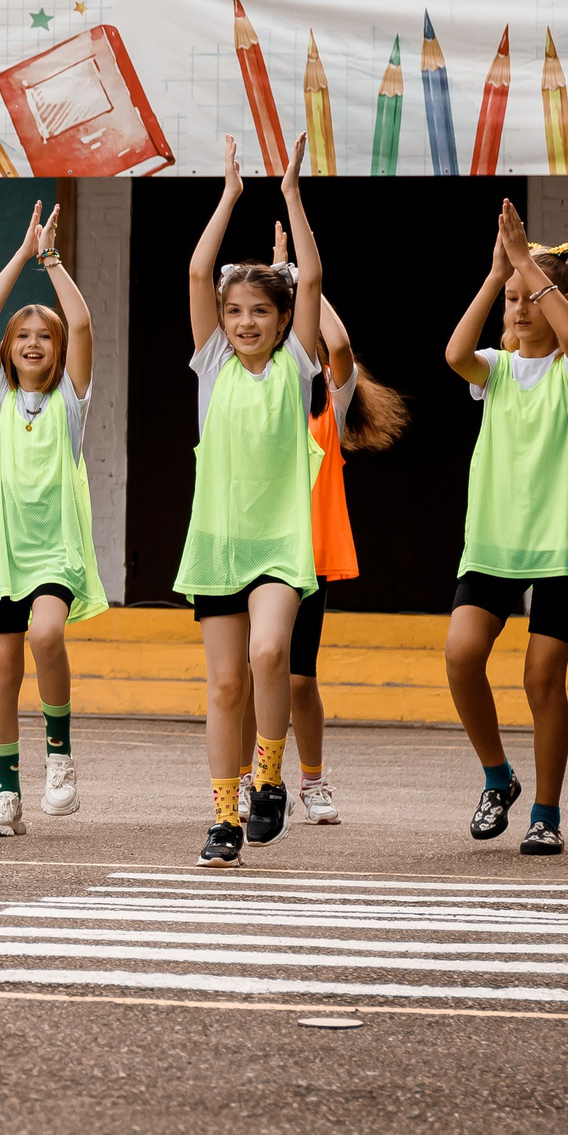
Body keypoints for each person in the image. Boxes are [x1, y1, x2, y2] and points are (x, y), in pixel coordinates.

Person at [232, 225, 409, 829]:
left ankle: (311, 779)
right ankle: (254, 783)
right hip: (253, 549)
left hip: (307, 554)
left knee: (299, 679)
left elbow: (339, 346)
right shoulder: (253, 390)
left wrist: (297, 281)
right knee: (250, 672)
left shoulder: (325, 401)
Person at [179, 133, 324, 867]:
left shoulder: (296, 365)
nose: (243, 322)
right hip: (218, 544)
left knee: (271, 652)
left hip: (279, 543)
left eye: (259, 311)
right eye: (234, 311)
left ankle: (269, 776)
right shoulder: (212, 365)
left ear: (280, 317)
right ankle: (224, 816)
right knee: (226, 681)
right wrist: (230, 192)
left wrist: (291, 196)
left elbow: (314, 276)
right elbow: (201, 267)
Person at [442, 201, 568, 857]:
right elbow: (453, 353)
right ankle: (497, 777)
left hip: (561, 544)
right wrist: (495, 274)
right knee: (460, 653)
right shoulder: (496, 369)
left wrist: (529, 266)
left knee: (542, 678)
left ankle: (546, 810)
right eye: (512, 297)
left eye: (531, 295)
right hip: (496, 542)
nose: (519, 305)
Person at [0, 202, 108, 838]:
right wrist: (20, 254)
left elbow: (80, 320)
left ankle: (60, 754)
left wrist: (50, 261)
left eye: (42, 336)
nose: (31, 342)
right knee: (0, 672)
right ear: (8, 350)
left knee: (46, 636)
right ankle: (5, 797)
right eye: (22, 336)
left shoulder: (70, 405)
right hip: (2, 555)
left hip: (53, 552)